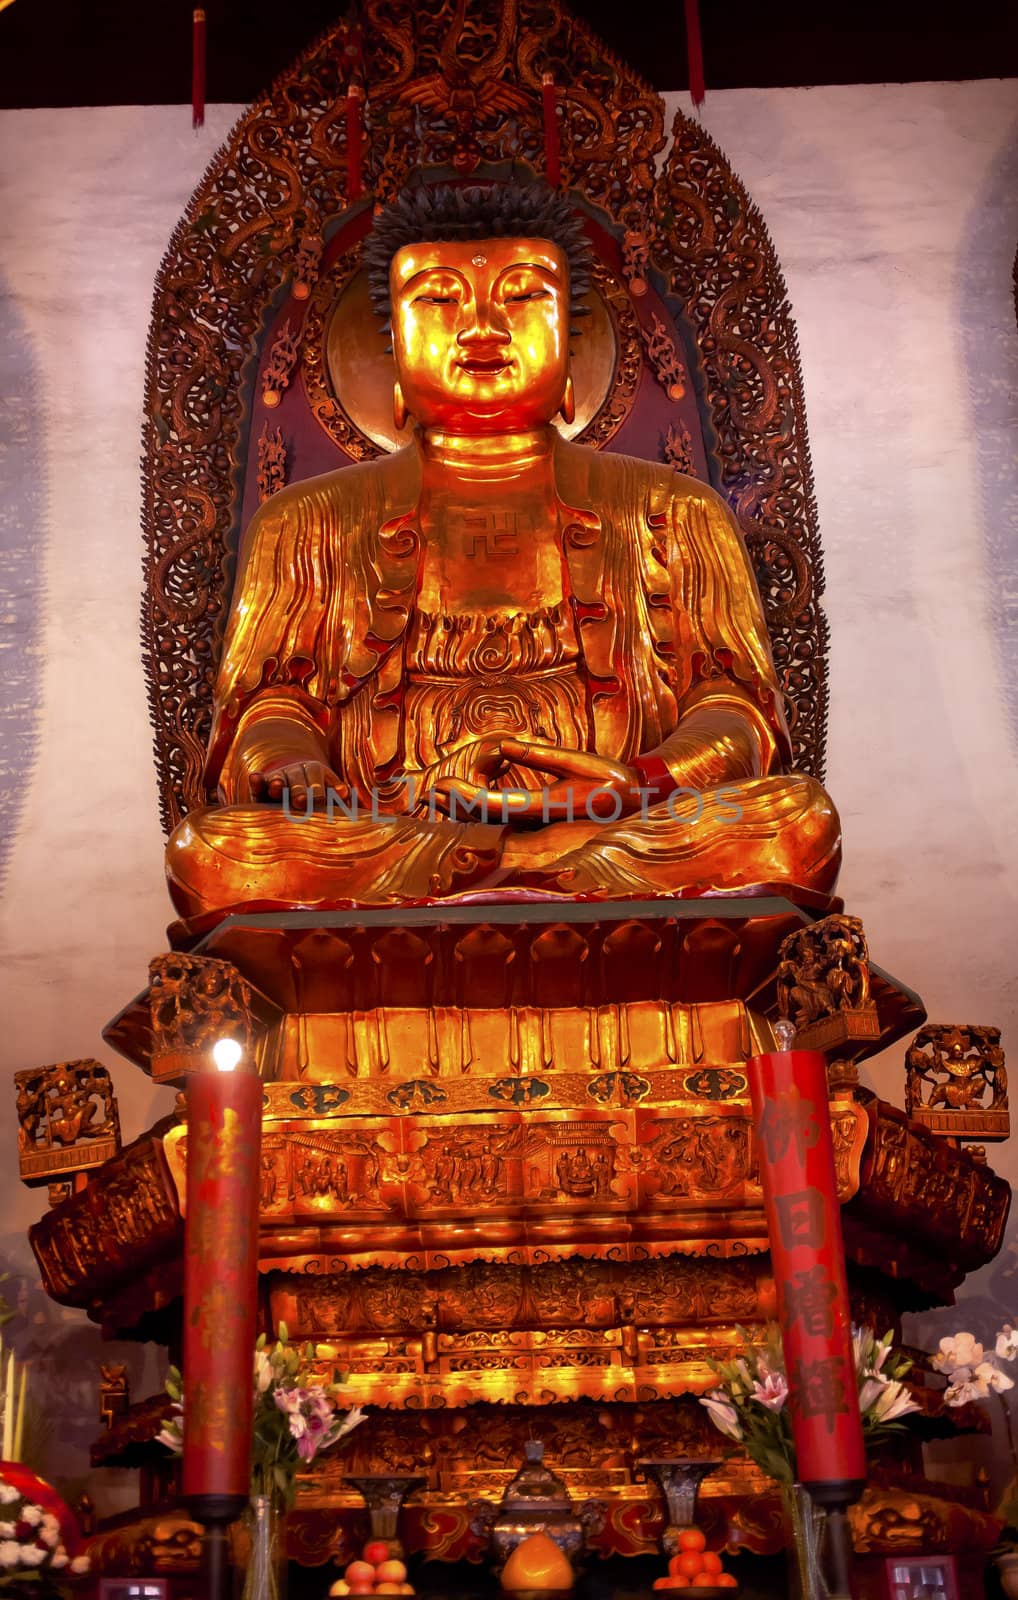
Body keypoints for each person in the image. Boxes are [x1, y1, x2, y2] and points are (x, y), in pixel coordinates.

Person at [166, 182, 839, 918]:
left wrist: (642, 783)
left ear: (573, 350)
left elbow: (733, 706)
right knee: (212, 854)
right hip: (394, 828)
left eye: (521, 295)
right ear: (390, 360)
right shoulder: (305, 523)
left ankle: (533, 870)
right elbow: (271, 704)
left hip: (618, 830)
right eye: (438, 299)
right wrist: (290, 765)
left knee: (796, 824)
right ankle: (520, 875)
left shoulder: (674, 511)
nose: (482, 326)